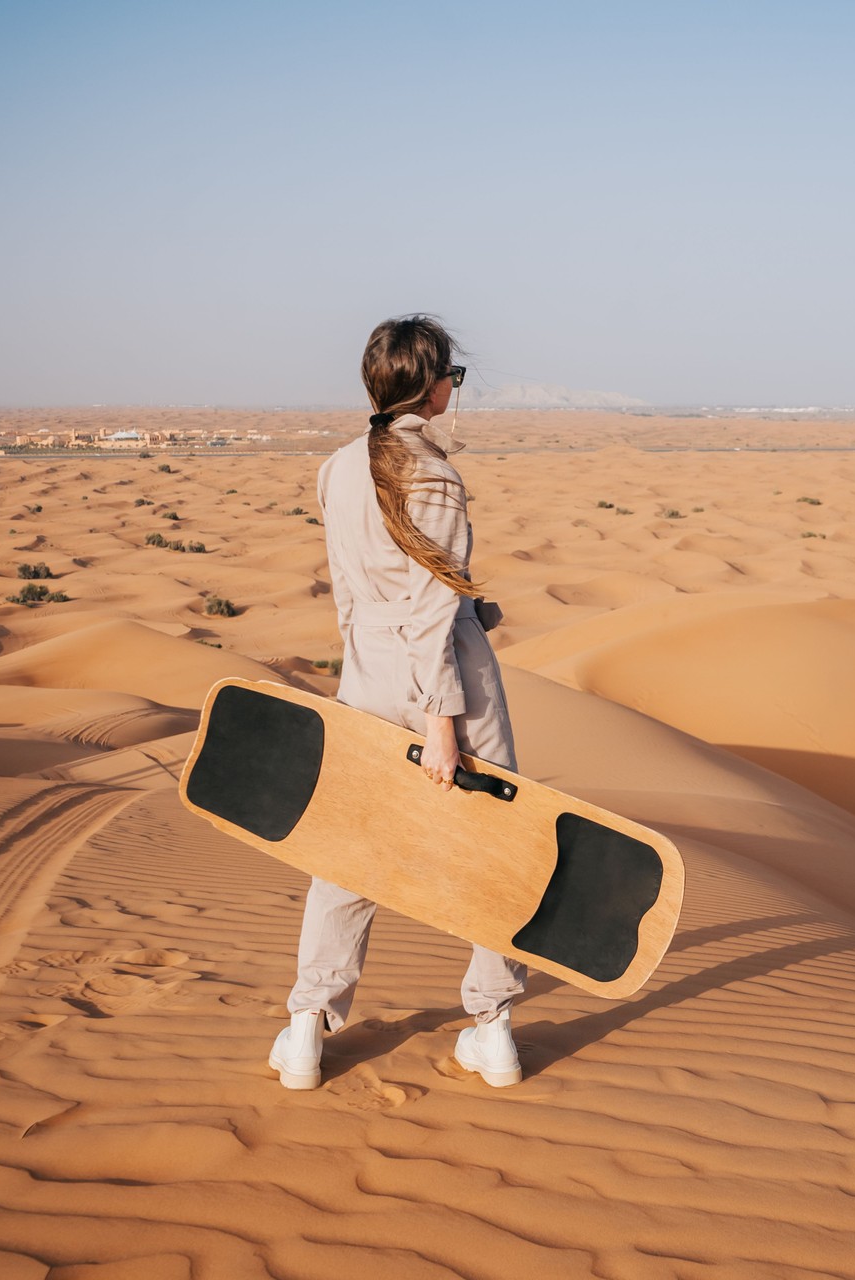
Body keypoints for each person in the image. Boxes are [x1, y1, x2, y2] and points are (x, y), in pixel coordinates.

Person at [268, 314, 526, 1091]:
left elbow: (356, 596)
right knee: (496, 849)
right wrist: (440, 725)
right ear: (432, 385)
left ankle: (307, 1029)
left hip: (368, 675)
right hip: (445, 681)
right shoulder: (433, 474)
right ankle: (493, 1028)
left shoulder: (337, 467)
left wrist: (366, 681)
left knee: (349, 852)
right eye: (454, 376)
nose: (456, 388)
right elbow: (428, 613)